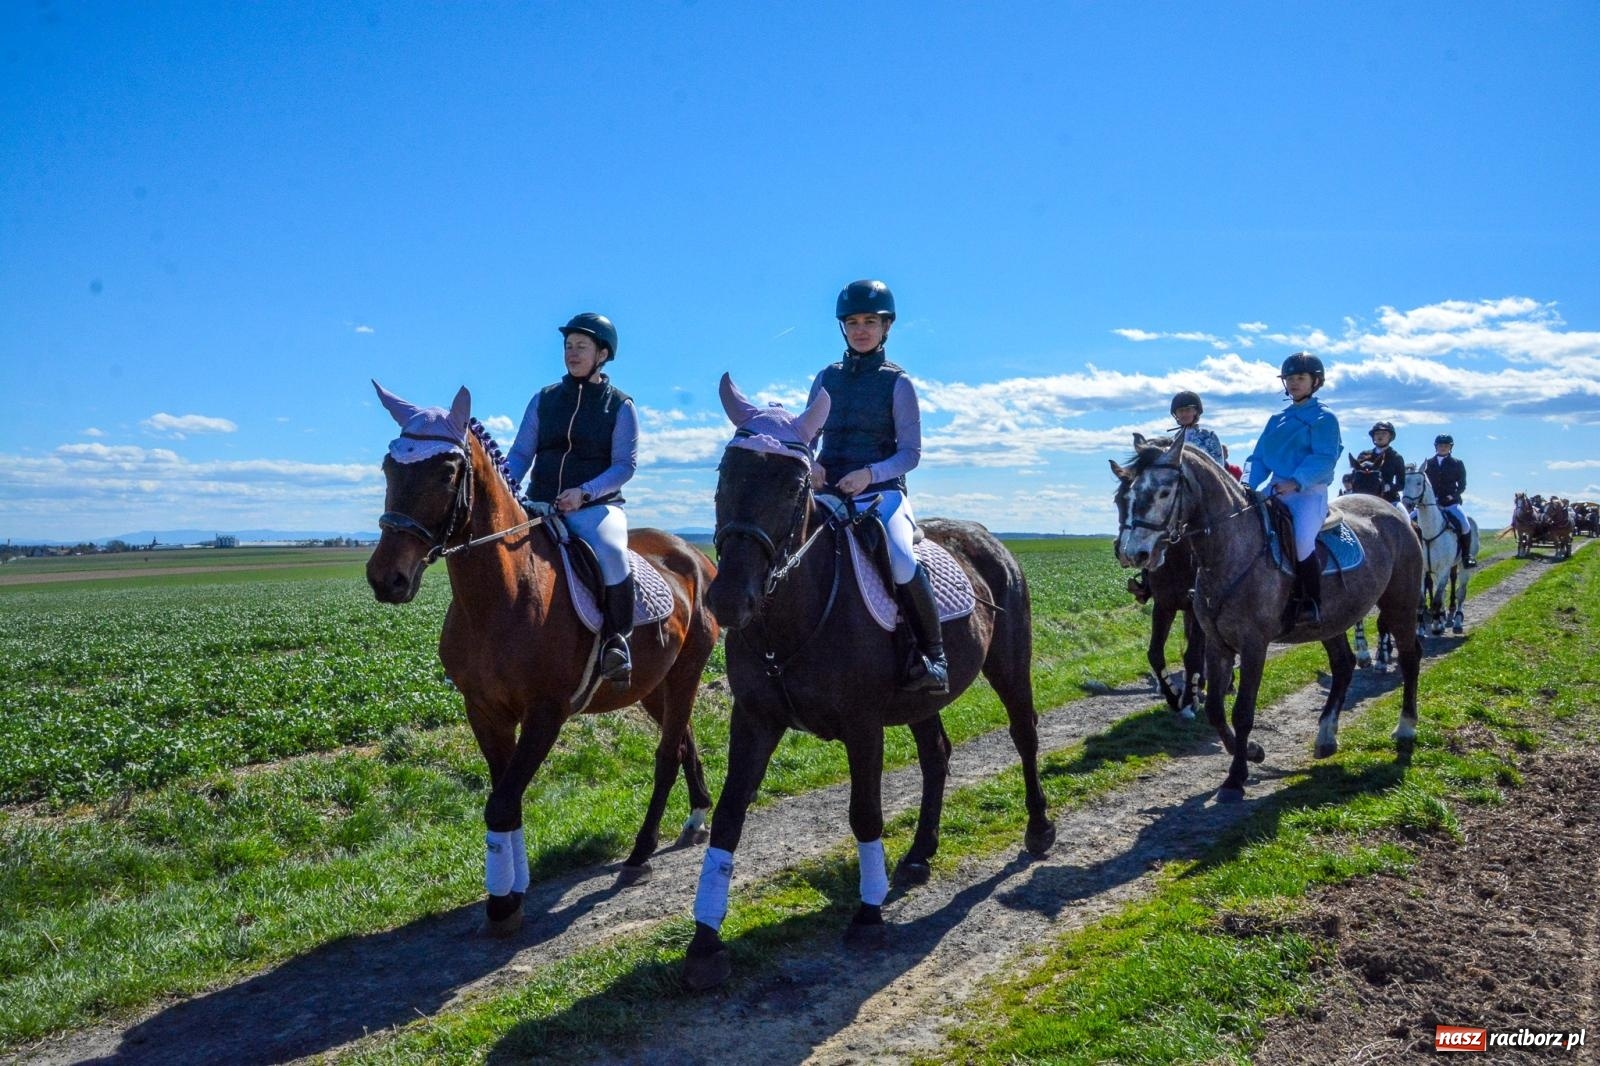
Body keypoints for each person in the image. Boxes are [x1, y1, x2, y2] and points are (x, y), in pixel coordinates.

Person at [805, 279, 947, 695]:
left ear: (886, 327)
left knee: (901, 558)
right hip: (828, 493)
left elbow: (911, 454)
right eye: (853, 322)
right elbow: (806, 437)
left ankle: (933, 656)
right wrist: (810, 463)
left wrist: (868, 474)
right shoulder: (826, 377)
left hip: (881, 495)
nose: (861, 329)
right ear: (843, 328)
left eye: (871, 321)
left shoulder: (898, 383)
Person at [506, 313, 640, 682]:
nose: (572, 353)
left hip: (596, 508)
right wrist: (506, 486)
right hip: (538, 504)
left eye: (581, 346)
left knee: (612, 553)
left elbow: (624, 466)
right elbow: (520, 455)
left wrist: (584, 493)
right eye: (568, 346)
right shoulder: (544, 399)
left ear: (602, 353)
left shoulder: (620, 405)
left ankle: (617, 641)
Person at [1243, 352, 1342, 627]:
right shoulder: (1276, 419)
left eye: (1300, 378)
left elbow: (1324, 458)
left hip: (1308, 491)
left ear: (1315, 381)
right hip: (1275, 488)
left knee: (1301, 541)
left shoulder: (1325, 418)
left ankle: (1311, 601)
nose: (1294, 383)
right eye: (1289, 378)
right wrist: (1246, 484)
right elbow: (1259, 458)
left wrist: (1296, 481)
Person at [1419, 433, 1476, 567]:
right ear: (1436, 447)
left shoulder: (1457, 463)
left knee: (1465, 524)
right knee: (1410, 520)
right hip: (1431, 504)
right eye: (1440, 445)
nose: (1443, 448)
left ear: (1450, 447)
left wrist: (1453, 496)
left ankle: (1466, 556)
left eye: (1446, 445)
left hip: (1451, 503)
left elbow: (1462, 486)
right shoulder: (1428, 464)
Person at [1354, 420, 1406, 504]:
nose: (1380, 436)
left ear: (1390, 437)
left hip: (1389, 499)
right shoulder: (1363, 455)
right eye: (1377, 433)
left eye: (1384, 433)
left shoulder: (1396, 457)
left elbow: (1401, 484)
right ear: (1373, 437)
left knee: (1404, 514)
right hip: (1363, 498)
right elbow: (1355, 477)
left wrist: (1387, 487)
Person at [1169, 391, 1226, 466]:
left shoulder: (1209, 437)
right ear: (1176, 414)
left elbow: (1219, 467)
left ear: (1196, 411)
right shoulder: (1172, 441)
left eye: (1187, 410)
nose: (1184, 414)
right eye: (1180, 411)